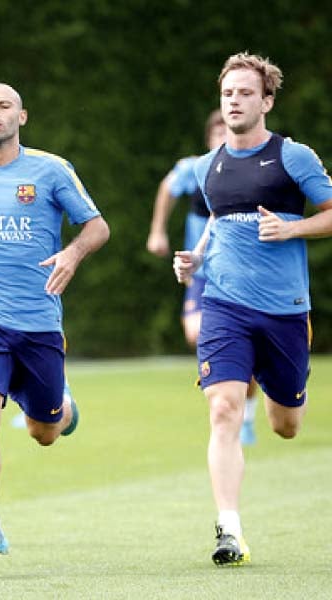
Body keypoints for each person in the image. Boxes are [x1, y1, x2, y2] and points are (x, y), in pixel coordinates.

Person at [174, 52, 332, 566]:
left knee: (286, 424)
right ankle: (229, 529)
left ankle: (278, 393)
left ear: (266, 101)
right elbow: (219, 225)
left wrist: (294, 228)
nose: (234, 101)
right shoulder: (207, 166)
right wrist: (194, 262)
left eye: (245, 93)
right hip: (224, 306)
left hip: (284, 311)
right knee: (222, 408)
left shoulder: (294, 158)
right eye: (227, 94)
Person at [0, 82, 110, 560]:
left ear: (22, 116)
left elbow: (97, 227)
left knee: (44, 431)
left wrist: (73, 255)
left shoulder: (51, 170)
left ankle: (63, 408)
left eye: (4, 106)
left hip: (38, 318)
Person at [148, 111, 260, 446]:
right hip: (200, 267)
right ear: (208, 139)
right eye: (216, 134)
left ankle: (247, 417)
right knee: (194, 332)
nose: (221, 139)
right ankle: (231, 379)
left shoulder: (252, 173)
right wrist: (157, 231)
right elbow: (167, 188)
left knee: (240, 346)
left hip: (238, 270)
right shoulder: (194, 168)